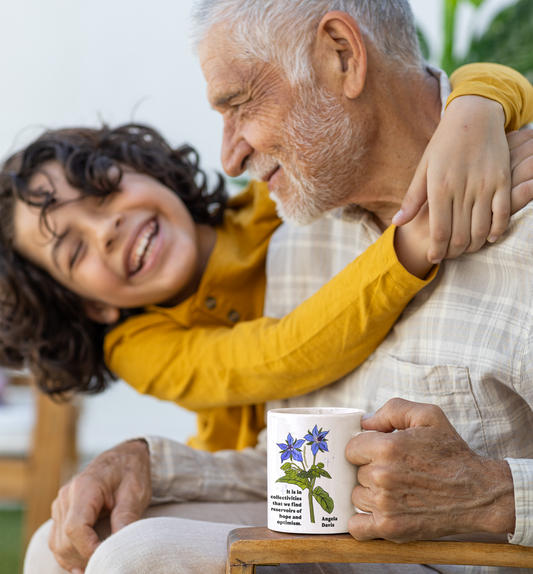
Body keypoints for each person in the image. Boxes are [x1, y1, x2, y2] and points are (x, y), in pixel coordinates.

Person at [20, 0, 533, 574]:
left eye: (240, 103)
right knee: (68, 554)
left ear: (340, 54)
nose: (226, 155)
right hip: (361, 571)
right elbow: (307, 467)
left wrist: (493, 498)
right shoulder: (301, 235)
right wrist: (154, 466)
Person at [2, 63, 533, 455]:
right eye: (75, 251)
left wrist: (475, 109)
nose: (107, 229)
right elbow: (283, 354)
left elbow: (433, 92)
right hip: (253, 478)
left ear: (147, 171)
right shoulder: (136, 349)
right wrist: (412, 242)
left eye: (102, 192)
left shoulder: (270, 203)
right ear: (89, 306)